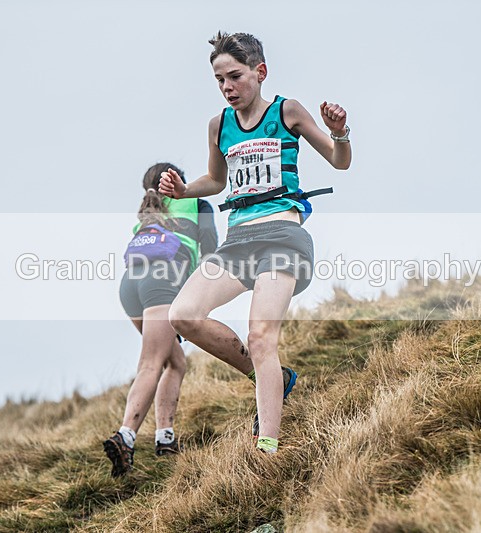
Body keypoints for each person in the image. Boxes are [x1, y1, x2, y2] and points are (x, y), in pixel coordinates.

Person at [159, 32, 352, 454]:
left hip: (282, 236)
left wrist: (340, 132)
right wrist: (181, 191)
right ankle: (272, 377)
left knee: (262, 336)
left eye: (235, 76)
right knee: (183, 315)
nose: (228, 87)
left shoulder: (287, 111)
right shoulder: (219, 126)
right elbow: (215, 181)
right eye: (219, 80)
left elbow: (339, 162)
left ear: (260, 73)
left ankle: (267, 448)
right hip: (238, 240)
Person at [104, 163, 218, 478]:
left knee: (175, 363)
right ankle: (125, 436)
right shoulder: (198, 204)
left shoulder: (146, 213)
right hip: (162, 284)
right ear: (178, 180)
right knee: (151, 363)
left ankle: (165, 438)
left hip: (130, 288)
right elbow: (210, 251)